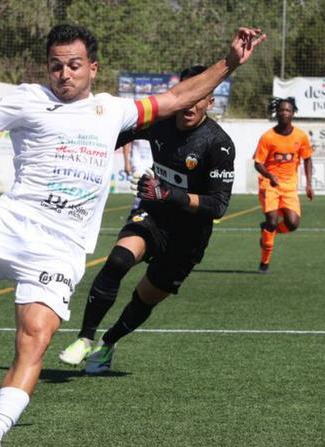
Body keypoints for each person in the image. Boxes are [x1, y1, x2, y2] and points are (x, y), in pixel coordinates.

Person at [0, 24, 265, 447]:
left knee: (35, 338)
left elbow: (176, 98)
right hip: (11, 223)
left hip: (60, 248)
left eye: (73, 65)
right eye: (56, 65)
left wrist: (230, 63)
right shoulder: (28, 100)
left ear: (92, 68)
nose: (64, 74)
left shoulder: (114, 110)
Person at [58, 65, 236, 374]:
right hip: (153, 215)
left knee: (145, 297)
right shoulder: (160, 122)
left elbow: (217, 205)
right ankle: (85, 338)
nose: (191, 105)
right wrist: (81, 152)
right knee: (117, 261)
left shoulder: (218, 144)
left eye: (201, 97)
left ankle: (108, 343)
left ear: (210, 102)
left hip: (189, 237)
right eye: (188, 96)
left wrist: (170, 195)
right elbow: (113, 135)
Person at [253, 97, 313, 274]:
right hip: (269, 184)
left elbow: (308, 159)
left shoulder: (300, 136)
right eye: (281, 110)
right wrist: (269, 175)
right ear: (276, 113)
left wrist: (309, 184)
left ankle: (267, 232)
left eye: (287, 110)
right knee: (271, 220)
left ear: (293, 113)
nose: (284, 113)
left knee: (292, 223)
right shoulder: (268, 137)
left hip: (289, 186)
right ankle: (264, 263)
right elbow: (258, 163)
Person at [121, 138, 153, 211]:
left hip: (151, 161)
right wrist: (126, 163)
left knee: (150, 190)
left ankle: (143, 211)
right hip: (137, 162)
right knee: (141, 188)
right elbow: (126, 143)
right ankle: (135, 211)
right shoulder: (136, 127)